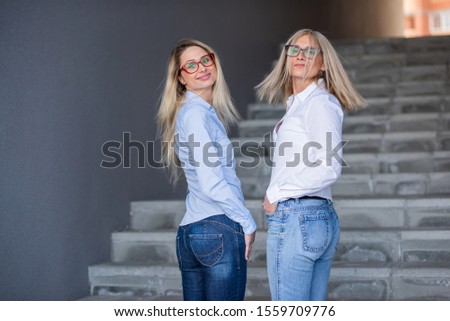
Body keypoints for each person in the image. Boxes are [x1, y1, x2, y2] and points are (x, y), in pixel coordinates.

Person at [256, 29, 367, 301]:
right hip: (310, 217)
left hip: (298, 217)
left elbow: (329, 166)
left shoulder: (319, 104)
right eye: (294, 49)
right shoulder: (299, 104)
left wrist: (277, 193)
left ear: (324, 62)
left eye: (310, 51)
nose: (300, 56)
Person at [156, 39, 256, 301]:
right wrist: (246, 221)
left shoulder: (192, 113)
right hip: (217, 229)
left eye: (205, 59)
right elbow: (212, 182)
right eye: (190, 65)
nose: (201, 67)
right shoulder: (196, 115)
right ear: (181, 79)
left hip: (190, 233)